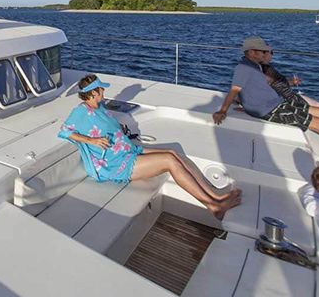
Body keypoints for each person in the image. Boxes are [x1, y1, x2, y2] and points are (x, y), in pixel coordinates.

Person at [60, 74, 242, 220]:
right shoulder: (80, 112)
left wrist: (118, 129)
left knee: (173, 152)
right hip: (115, 164)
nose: (104, 92)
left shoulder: (99, 106)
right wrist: (92, 141)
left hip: (127, 150)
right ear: (93, 92)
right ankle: (213, 206)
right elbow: (65, 131)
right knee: (169, 160)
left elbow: (104, 125)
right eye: (101, 89)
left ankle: (215, 195)